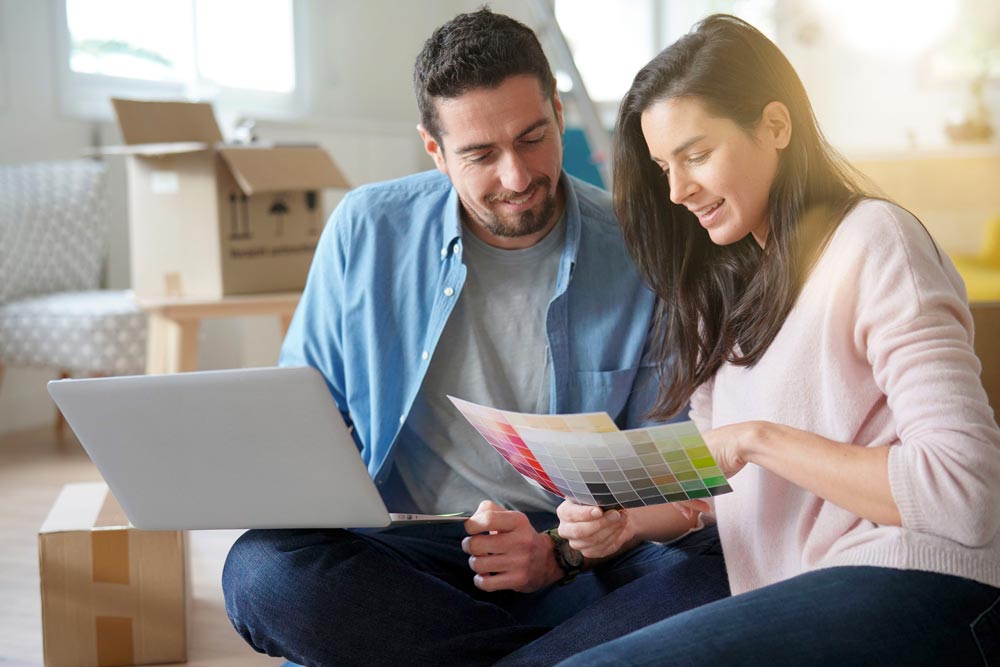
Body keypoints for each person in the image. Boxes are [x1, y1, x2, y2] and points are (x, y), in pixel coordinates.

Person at [221, 9, 730, 667]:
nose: (517, 177)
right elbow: (309, 415)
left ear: (556, 110)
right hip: (412, 555)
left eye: (532, 137)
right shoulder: (366, 230)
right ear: (434, 151)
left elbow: (666, 468)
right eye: (481, 155)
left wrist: (560, 553)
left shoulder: (642, 246)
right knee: (263, 574)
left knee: (720, 573)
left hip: (578, 562)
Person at [546, 13, 1000, 666]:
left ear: (776, 126)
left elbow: (966, 496)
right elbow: (728, 483)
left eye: (697, 154)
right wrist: (628, 522)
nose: (678, 191)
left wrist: (759, 438)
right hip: (796, 584)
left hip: (923, 579)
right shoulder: (719, 285)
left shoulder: (876, 242)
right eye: (665, 166)